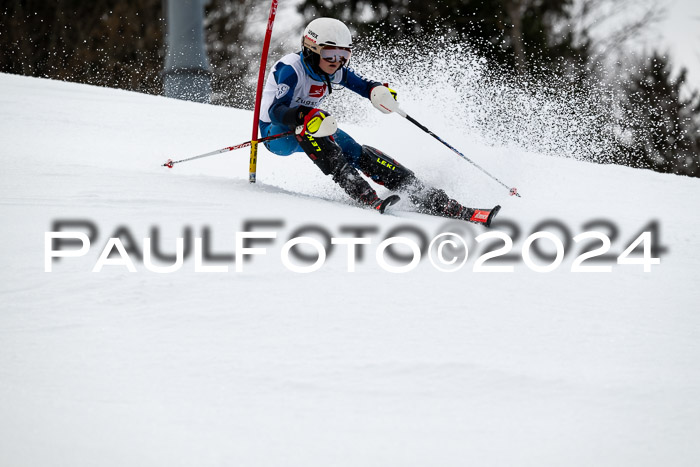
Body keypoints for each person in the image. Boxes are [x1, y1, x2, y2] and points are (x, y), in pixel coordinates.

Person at [259, 17, 500, 226]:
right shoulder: (291, 69)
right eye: (330, 54)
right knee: (319, 125)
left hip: (312, 126)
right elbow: (276, 110)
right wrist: (304, 115)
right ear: (311, 49)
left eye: (344, 55)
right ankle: (361, 191)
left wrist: (377, 92)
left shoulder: (335, 71)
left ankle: (428, 195)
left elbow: (364, 85)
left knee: (356, 151)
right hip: (275, 133)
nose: (337, 61)